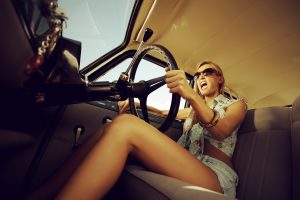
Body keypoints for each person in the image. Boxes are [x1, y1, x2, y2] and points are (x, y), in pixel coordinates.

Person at [28, 61, 247, 199]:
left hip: (215, 178)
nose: (200, 77)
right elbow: (162, 112)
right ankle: (43, 193)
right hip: (190, 165)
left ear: (219, 78)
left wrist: (190, 95)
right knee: (110, 127)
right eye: (197, 75)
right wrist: (137, 102)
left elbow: (222, 130)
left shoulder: (236, 104)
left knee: (126, 127)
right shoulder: (191, 112)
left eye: (207, 72)